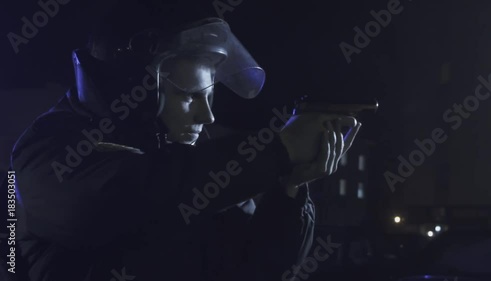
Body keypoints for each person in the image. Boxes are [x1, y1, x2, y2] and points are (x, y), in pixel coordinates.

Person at [8, 2, 361, 281]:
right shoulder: (46, 150)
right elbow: (132, 192)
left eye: (211, 97)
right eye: (190, 96)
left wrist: (289, 189)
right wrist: (278, 153)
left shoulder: (198, 168)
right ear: (135, 92)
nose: (207, 117)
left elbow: (257, 270)